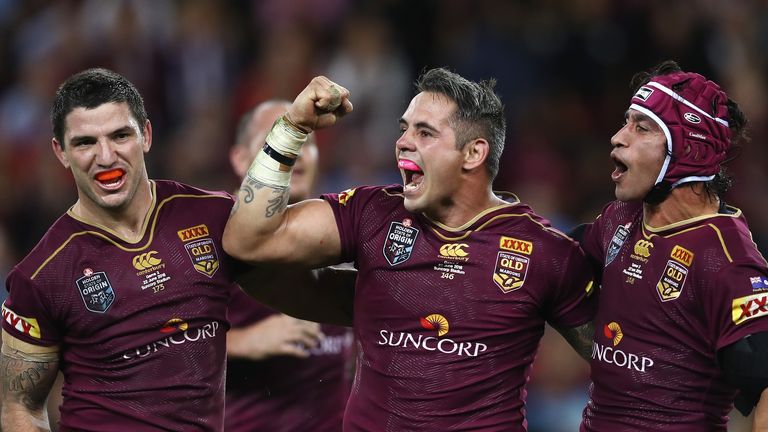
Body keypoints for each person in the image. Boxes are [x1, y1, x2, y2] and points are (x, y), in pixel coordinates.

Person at [223, 68, 597, 430]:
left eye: (425, 132)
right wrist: (292, 128)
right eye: (403, 129)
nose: (403, 141)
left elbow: (621, 364)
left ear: (473, 153)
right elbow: (248, 240)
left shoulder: (544, 252)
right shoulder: (372, 214)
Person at [0, 68, 355, 431]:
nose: (105, 157)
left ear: (147, 135)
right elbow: (20, 407)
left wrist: (402, 295)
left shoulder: (213, 217)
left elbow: (316, 290)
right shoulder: (42, 274)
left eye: (121, 135)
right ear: (61, 152)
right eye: (85, 142)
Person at [574, 60, 768, 431]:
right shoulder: (619, 219)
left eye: (641, 127)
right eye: (625, 122)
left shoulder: (727, 260)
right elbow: (554, 268)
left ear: (689, 150)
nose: (618, 137)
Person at [225, 100, 353, 431]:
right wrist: (242, 341)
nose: (294, 152)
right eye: (277, 141)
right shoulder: (213, 237)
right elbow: (155, 341)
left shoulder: (344, 230)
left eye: (305, 141)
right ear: (241, 159)